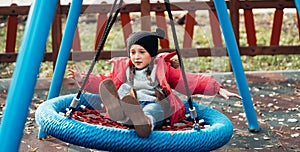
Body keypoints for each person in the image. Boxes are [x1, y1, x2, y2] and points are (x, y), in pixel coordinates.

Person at [68, 28, 241, 138]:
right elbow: (103, 81)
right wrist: (84, 80)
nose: (136, 56)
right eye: (133, 52)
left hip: (154, 102)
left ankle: (145, 123)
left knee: (154, 110)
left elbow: (188, 81)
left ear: (151, 53)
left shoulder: (162, 68)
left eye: (141, 52)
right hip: (129, 101)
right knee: (117, 92)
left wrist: (216, 88)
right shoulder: (124, 68)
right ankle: (117, 110)